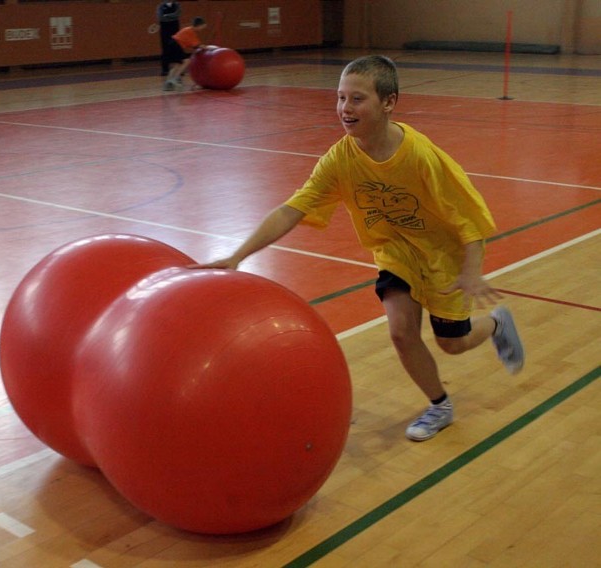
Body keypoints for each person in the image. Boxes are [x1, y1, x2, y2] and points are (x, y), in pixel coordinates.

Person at [192, 55, 525, 442]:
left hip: (443, 257)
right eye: (340, 98)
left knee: (453, 343)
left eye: (357, 99)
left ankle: (497, 323)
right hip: (395, 253)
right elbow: (292, 208)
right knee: (401, 332)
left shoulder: (420, 156)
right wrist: (237, 255)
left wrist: (471, 270)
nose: (345, 109)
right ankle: (440, 405)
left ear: (388, 102)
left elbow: (470, 217)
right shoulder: (340, 158)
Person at [163, 17, 207, 91]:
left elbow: (194, 45)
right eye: (202, 27)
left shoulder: (189, 30)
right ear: (198, 25)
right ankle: (175, 79)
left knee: (177, 65)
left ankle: (168, 83)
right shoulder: (190, 31)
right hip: (175, 45)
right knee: (187, 61)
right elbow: (197, 45)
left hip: (172, 44)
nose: (202, 29)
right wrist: (209, 48)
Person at [157, 1, 181, 76]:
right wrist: (172, 17)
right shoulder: (160, 6)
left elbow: (177, 14)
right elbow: (160, 17)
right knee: (165, 49)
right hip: (165, 32)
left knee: (177, 49)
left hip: (175, 31)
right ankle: (165, 70)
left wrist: (166, 15)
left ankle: (179, 70)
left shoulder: (177, 5)